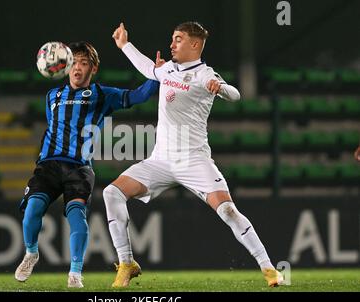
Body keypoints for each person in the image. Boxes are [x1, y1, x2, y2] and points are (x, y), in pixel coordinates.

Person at [104, 22, 283, 288]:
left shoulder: (203, 74)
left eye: (178, 39)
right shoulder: (167, 70)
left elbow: (235, 94)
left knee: (228, 211)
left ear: (195, 44)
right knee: (111, 193)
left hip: (194, 160)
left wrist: (219, 87)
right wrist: (124, 45)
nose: (172, 44)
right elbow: (146, 67)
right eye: (173, 39)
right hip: (160, 160)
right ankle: (127, 263)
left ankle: (269, 269)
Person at [14, 41, 159, 288]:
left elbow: (139, 96)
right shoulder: (53, 96)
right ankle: (31, 253)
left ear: (93, 69)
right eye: (75, 63)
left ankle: (75, 273)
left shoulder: (102, 94)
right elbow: (54, 127)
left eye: (84, 63)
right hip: (48, 165)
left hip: (79, 169)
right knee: (31, 212)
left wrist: (157, 74)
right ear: (66, 65)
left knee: (77, 218)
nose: (78, 68)